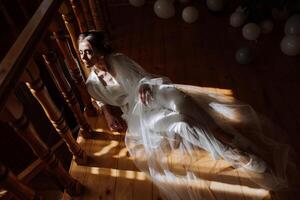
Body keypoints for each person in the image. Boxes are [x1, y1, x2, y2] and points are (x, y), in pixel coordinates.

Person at [78, 31, 293, 198]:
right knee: (181, 124)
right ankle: (233, 153)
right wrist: (107, 113)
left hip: (147, 92)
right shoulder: (92, 84)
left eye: (88, 51)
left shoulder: (119, 60)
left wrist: (144, 83)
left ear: (100, 50)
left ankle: (222, 133)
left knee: (178, 99)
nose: (84, 56)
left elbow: (141, 77)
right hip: (136, 112)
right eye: (81, 53)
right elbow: (99, 99)